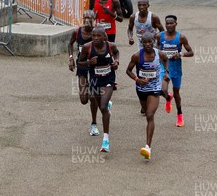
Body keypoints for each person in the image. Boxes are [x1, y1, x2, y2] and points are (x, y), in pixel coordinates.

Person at [126, 32, 169, 160]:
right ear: (142, 43)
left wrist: (166, 72)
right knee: (146, 112)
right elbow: (128, 70)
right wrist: (137, 79)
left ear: (153, 42)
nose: (147, 44)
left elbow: (166, 60)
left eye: (150, 42)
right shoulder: (137, 56)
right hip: (141, 88)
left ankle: (147, 147)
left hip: (155, 87)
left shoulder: (159, 54)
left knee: (150, 115)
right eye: (145, 42)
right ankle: (167, 95)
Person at [78, 27, 120, 153]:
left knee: (102, 107)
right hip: (95, 80)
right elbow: (80, 63)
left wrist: (116, 61)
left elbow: (117, 53)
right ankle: (107, 106)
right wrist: (89, 62)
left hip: (108, 79)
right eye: (93, 36)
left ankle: (105, 140)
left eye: (98, 36)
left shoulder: (110, 46)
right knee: (98, 103)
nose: (95, 38)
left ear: (104, 36)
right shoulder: (87, 47)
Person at [156, 14, 194, 127]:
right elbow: (157, 50)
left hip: (176, 68)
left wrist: (180, 54)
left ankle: (179, 115)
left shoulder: (181, 37)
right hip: (164, 68)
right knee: (162, 90)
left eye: (171, 23)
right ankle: (168, 97)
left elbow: (191, 52)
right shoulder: (159, 36)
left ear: (176, 24)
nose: (169, 25)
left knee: (176, 92)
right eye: (167, 23)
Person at [68, 10, 100, 136]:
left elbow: (107, 48)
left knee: (92, 97)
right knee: (83, 100)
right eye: (85, 18)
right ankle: (102, 99)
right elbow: (70, 44)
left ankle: (94, 124)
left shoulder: (99, 33)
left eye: (89, 18)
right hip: (82, 67)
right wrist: (71, 58)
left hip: (95, 68)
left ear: (94, 18)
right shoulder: (77, 32)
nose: (87, 20)